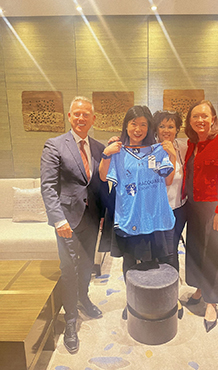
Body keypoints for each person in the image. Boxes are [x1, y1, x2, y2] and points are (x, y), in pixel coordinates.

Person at [41, 96, 108, 354]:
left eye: (86, 114)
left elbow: (100, 183)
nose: (81, 118)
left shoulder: (99, 147)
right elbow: (47, 186)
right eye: (77, 114)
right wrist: (58, 219)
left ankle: (83, 299)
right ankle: (70, 321)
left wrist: (103, 214)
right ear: (70, 117)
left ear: (93, 119)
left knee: (87, 265)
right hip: (67, 221)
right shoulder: (55, 145)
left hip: (92, 219)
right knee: (69, 269)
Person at [99, 105, 176, 318]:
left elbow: (168, 179)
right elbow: (104, 177)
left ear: (149, 127)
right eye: (134, 123)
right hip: (129, 216)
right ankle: (132, 302)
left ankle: (150, 304)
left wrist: (172, 156)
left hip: (152, 216)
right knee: (130, 261)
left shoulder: (156, 151)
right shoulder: (118, 151)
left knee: (153, 263)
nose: (138, 128)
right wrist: (106, 155)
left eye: (143, 124)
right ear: (126, 125)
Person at [182, 100, 218, 332]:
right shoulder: (192, 143)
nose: (200, 120)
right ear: (190, 121)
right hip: (192, 206)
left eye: (205, 116)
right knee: (195, 249)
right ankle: (199, 288)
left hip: (214, 208)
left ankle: (212, 302)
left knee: (213, 253)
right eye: (195, 117)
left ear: (213, 118)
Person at [153, 110, 188, 272]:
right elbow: (163, 179)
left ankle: (170, 290)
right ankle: (156, 287)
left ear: (177, 129)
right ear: (156, 129)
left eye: (171, 126)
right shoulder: (151, 150)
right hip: (158, 210)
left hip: (179, 208)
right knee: (159, 250)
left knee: (172, 248)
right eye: (162, 126)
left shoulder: (182, 147)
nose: (166, 130)